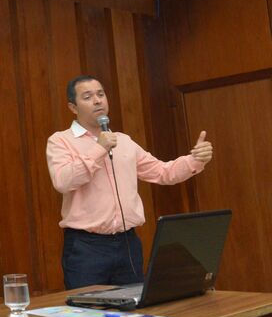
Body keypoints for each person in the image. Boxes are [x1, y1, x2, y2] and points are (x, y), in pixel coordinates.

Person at [46, 75, 213, 289]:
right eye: (87, 97)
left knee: (133, 306)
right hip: (86, 247)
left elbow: (163, 172)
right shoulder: (60, 141)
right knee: (88, 307)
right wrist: (99, 149)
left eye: (101, 94)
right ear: (73, 107)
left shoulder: (124, 141)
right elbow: (63, 181)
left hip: (127, 243)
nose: (97, 100)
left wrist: (196, 159)